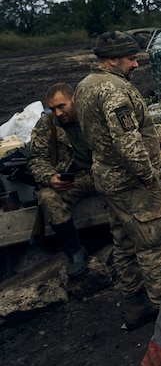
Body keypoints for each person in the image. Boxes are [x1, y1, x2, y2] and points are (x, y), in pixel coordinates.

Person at [74, 31, 161, 330]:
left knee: (125, 243)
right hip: (131, 183)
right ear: (113, 60)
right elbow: (127, 141)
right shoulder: (115, 91)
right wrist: (148, 175)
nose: (136, 65)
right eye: (132, 59)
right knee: (153, 244)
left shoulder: (84, 86)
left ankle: (134, 307)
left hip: (107, 178)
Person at [28, 83, 98, 278]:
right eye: (52, 108)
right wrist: (50, 178)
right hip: (70, 181)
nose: (57, 113)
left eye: (62, 106)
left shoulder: (93, 117)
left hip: (99, 175)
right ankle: (75, 252)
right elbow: (36, 159)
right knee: (48, 197)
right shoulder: (47, 124)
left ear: (74, 101)